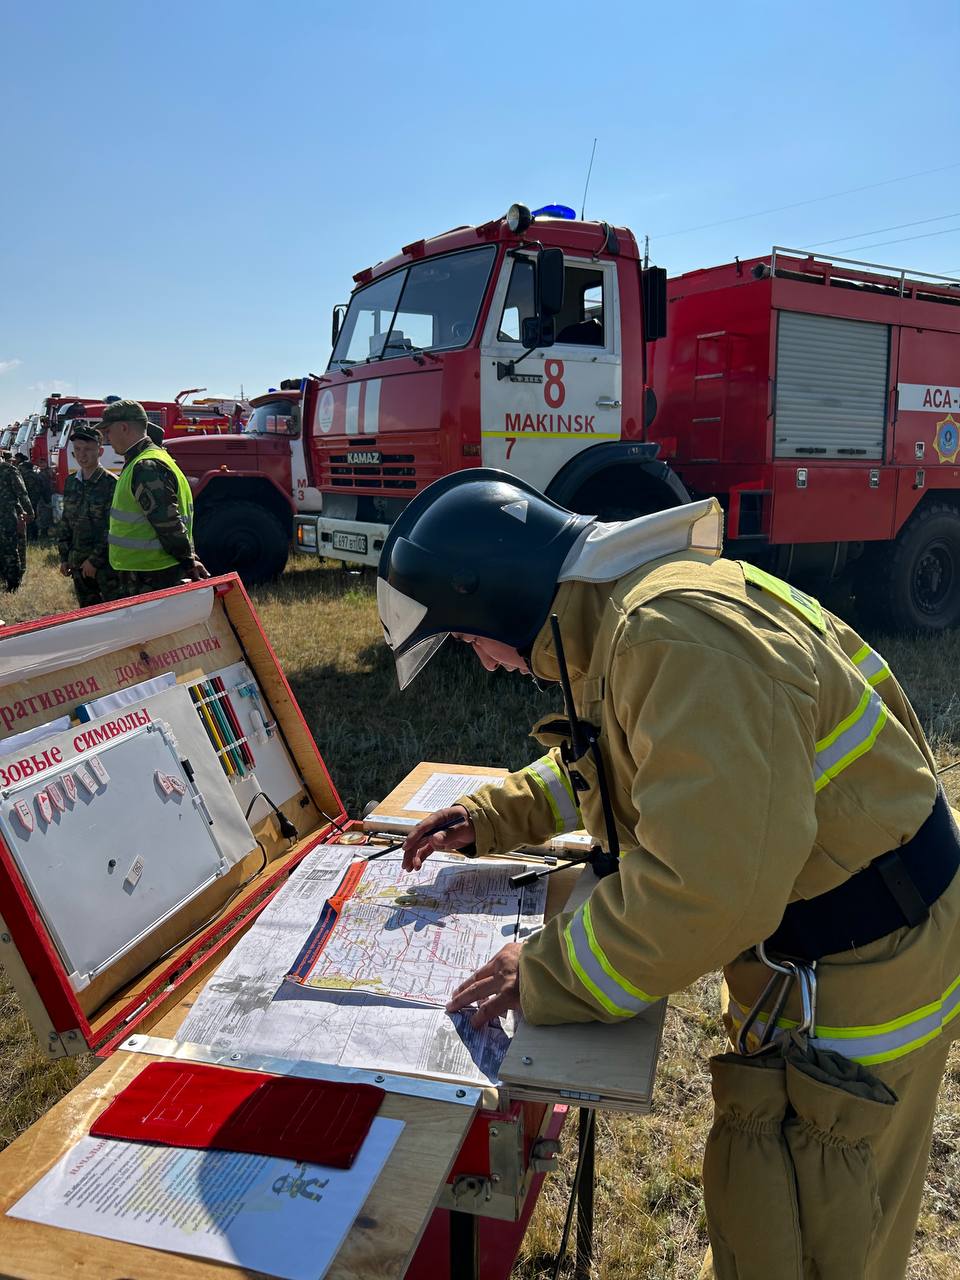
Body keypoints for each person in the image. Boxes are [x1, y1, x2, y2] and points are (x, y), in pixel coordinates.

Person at [377, 469, 960, 1280]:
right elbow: (638, 760)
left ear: (499, 598)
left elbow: (707, 888)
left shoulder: (670, 635)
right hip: (823, 948)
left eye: (469, 639)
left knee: (822, 1238)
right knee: (769, 1213)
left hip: (867, 970)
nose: (482, 664)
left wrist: (543, 969)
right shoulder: (630, 614)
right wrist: (495, 813)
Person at [100, 399, 209, 596]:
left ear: (123, 427)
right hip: (152, 571)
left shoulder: (146, 465)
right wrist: (188, 559)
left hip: (151, 575)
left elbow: (168, 523)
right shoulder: (150, 459)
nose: (106, 437)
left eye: (108, 430)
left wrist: (188, 562)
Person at [57, 425, 119, 607]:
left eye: (88, 449)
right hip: (77, 563)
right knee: (87, 615)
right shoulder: (71, 482)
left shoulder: (111, 483)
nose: (82, 455)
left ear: (99, 452)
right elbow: (66, 521)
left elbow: (114, 527)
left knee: (112, 613)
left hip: (105, 567)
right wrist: (64, 556)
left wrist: (94, 560)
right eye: (77, 449)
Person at [0, 453, 32, 590]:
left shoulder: (9, 470)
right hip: (7, 514)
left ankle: (13, 584)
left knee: (10, 549)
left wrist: (29, 512)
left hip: (8, 515)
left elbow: (22, 493)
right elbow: (22, 492)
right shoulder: (9, 470)